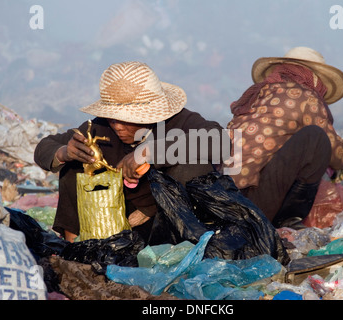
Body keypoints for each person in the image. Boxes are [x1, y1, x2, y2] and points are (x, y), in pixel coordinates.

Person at [34, 61, 226, 242]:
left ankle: (185, 247)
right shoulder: (100, 128)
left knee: (192, 165)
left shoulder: (178, 121)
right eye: (113, 118)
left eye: (126, 119)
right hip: (118, 223)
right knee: (75, 162)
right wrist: (63, 153)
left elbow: (219, 140)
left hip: (171, 221)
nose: (117, 126)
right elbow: (45, 146)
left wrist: (148, 152)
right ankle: (75, 245)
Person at [227, 47, 343, 229]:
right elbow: (338, 156)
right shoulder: (305, 96)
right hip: (251, 203)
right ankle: (287, 222)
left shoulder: (259, 95)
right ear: (313, 77)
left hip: (226, 197)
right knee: (315, 139)